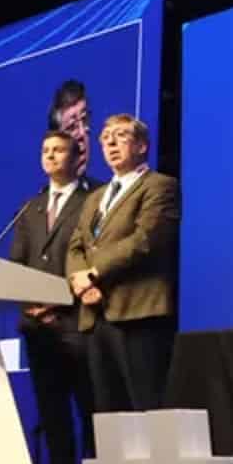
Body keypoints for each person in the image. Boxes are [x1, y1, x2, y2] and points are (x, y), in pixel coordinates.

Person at [67, 114, 179, 412]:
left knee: (146, 407)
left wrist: (95, 272)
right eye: (105, 139)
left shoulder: (160, 186)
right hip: (95, 314)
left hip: (138, 312)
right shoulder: (95, 197)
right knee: (107, 413)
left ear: (142, 146)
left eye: (120, 136)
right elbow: (76, 245)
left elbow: (146, 240)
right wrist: (81, 282)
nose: (111, 143)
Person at [9, 130, 96, 464]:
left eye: (58, 149)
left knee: (89, 410)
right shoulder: (30, 207)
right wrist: (31, 303)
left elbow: (92, 257)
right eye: (45, 150)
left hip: (76, 323)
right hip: (37, 328)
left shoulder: (93, 198)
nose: (50, 155)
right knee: (52, 412)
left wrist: (60, 301)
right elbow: (16, 265)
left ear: (77, 157)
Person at [48, 78, 104, 189]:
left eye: (85, 120)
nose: (82, 133)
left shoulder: (104, 198)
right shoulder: (38, 204)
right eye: (71, 127)